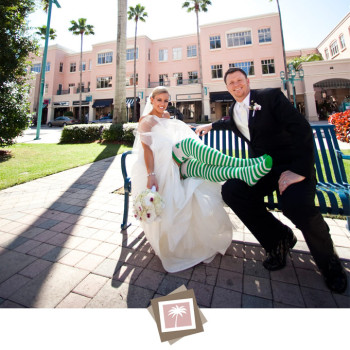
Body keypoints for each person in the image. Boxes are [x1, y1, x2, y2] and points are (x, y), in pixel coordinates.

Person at [195, 68, 348, 294]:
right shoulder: (235, 108)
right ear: (227, 87)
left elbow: (302, 129)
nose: (236, 85)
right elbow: (232, 122)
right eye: (231, 83)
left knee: (296, 206)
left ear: (247, 81)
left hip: (292, 167)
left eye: (239, 80)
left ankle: (330, 263)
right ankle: (279, 239)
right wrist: (211, 125)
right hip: (263, 170)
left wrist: (299, 171)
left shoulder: (269, 97)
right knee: (232, 191)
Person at [130, 86, 271, 273]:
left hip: (178, 163)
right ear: (152, 100)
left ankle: (244, 172)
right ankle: (242, 165)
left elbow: (171, 134)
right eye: (159, 100)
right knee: (189, 145)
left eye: (166, 101)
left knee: (202, 169)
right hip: (163, 165)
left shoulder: (166, 118)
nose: (163, 104)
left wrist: (184, 128)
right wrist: (151, 174)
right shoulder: (146, 121)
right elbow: (147, 150)